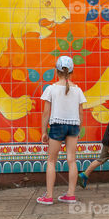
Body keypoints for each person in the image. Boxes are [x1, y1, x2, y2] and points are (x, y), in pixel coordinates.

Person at [37, 55, 87, 205]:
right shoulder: (77, 90)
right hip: (73, 126)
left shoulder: (51, 89)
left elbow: (46, 113)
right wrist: (79, 128)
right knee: (72, 160)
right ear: (72, 71)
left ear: (56, 71)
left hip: (57, 125)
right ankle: (71, 194)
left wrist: (44, 131)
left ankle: (49, 196)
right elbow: (81, 112)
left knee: (51, 161)